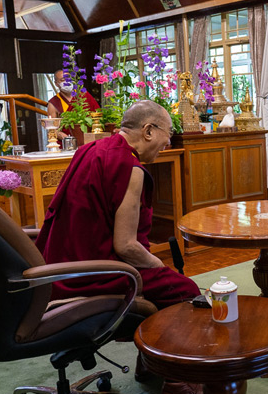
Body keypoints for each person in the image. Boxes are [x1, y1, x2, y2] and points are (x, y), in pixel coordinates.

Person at [35, 100, 200, 310]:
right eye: (168, 133)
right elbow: (126, 247)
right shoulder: (130, 167)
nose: (168, 141)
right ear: (148, 131)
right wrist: (158, 265)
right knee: (187, 291)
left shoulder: (89, 150)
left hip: (59, 269)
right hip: (94, 275)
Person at [47, 69, 101, 140]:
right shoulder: (53, 103)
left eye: (69, 78)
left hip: (90, 138)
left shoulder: (83, 95)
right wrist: (67, 138)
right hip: (68, 142)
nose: (67, 82)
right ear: (56, 84)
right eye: (63, 80)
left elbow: (98, 115)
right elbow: (52, 129)